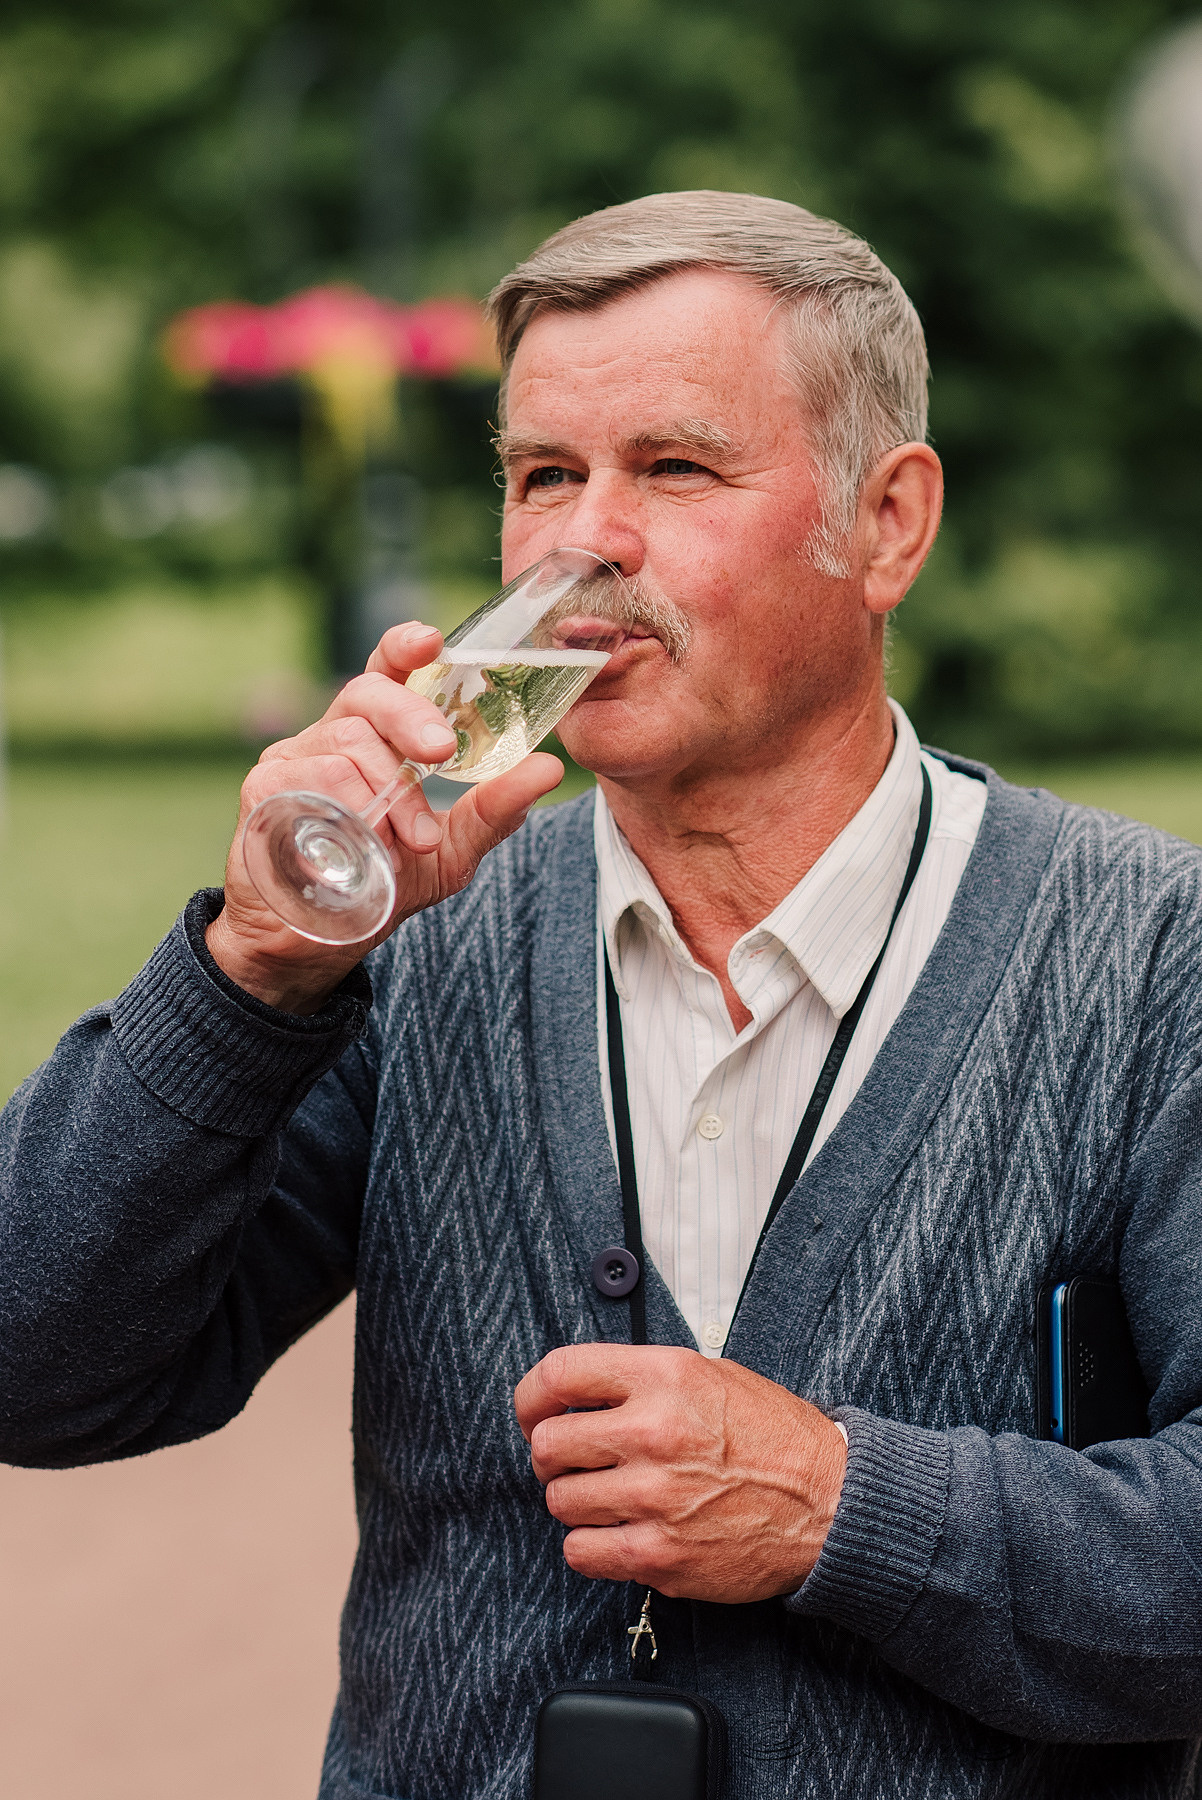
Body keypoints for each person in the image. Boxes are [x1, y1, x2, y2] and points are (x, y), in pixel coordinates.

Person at [2, 190, 1201, 1800]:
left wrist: (847, 1507)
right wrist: (249, 972)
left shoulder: (1147, 954)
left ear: (888, 525)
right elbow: (41, 1366)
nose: (586, 545)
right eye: (542, 475)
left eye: (676, 469)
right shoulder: (419, 945)